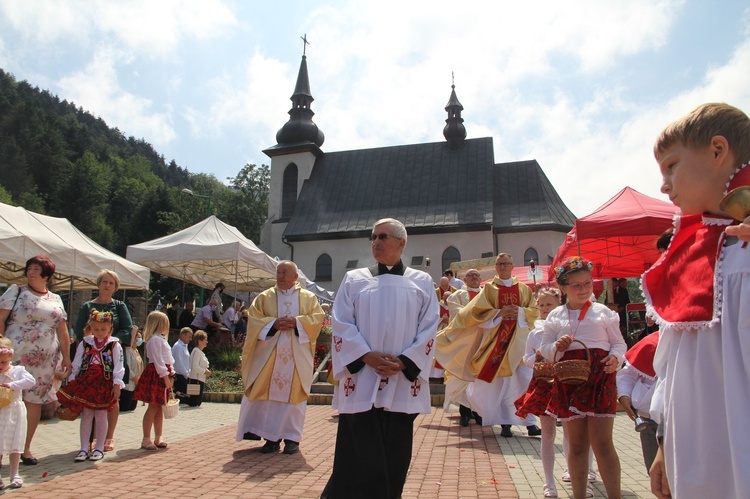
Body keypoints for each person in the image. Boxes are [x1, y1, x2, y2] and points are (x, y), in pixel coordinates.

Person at [644, 103, 750, 498]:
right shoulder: (690, 250)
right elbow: (673, 368)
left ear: (718, 151)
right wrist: (664, 446)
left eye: (672, 166)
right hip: (695, 454)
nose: (665, 185)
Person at [322, 218, 439, 499]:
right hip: (362, 376)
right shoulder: (354, 279)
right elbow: (340, 323)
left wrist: (405, 362)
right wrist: (365, 356)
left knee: (394, 451)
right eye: (372, 237)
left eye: (382, 236)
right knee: (357, 451)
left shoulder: (421, 281)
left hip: (400, 380)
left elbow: (430, 326)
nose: (375, 242)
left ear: (402, 243)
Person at [540, 256, 626, 499]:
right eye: (576, 285)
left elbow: (619, 344)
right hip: (569, 381)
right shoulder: (555, 315)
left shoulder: (603, 313)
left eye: (587, 283)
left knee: (602, 444)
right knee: (576, 445)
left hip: (600, 378)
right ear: (563, 288)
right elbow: (545, 349)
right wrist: (557, 346)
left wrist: (615, 358)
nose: (584, 289)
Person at [436, 253, 540, 438]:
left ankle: (530, 422)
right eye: (499, 264)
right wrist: (499, 312)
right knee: (502, 385)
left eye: (506, 263)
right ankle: (506, 423)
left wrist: (521, 312)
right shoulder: (489, 290)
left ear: (512, 265)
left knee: (523, 382)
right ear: (496, 267)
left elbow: (534, 311)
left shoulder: (523, 289)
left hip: (519, 343)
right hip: (497, 344)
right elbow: (475, 313)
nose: (502, 267)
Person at [236, 261, 324, 455]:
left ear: (296, 277)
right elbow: (254, 320)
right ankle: (271, 438)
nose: (280, 276)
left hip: (296, 358)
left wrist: (297, 322)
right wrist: (274, 324)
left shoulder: (309, 298)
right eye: (278, 272)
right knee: (270, 400)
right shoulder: (264, 298)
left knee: (294, 399)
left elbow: (317, 320)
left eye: (285, 272)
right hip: (270, 357)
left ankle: (292, 439)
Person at [0, 255, 72, 466]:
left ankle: (25, 448)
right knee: (6, 399)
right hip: (15, 356)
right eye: (29, 268)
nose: (30, 272)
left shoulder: (56, 299)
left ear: (46, 275)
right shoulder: (16, 291)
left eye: (35, 269)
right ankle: (3, 450)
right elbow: (1, 318)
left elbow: (63, 330)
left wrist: (66, 357)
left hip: (45, 361)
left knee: (34, 401)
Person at [74, 269, 136, 453]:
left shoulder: (119, 305)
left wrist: (107, 341)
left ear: (115, 287)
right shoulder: (86, 306)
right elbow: (79, 331)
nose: (107, 285)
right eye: (104, 282)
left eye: (111, 283)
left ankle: (109, 436)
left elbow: (127, 329)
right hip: (91, 360)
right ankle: (92, 439)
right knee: (90, 398)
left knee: (112, 397)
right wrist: (94, 342)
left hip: (112, 358)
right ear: (98, 284)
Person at [514, 288, 566, 498]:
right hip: (544, 383)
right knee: (547, 434)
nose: (545, 309)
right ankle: (549, 482)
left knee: (573, 434)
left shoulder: (567, 328)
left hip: (566, 382)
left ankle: (580, 471)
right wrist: (536, 356)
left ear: (559, 304)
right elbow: (525, 359)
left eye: (549, 304)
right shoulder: (535, 332)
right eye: (541, 305)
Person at [57, 311, 124, 463]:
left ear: (110, 329)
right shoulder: (85, 342)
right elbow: (77, 362)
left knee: (101, 414)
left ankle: (99, 446)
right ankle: (84, 447)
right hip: (87, 382)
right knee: (86, 414)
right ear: (91, 328)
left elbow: (118, 365)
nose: (99, 333)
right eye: (96, 329)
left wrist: (117, 383)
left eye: (103, 329)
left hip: (104, 382)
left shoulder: (114, 344)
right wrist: (74, 379)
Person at [443, 268, 483, 426]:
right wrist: (480, 316)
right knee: (463, 377)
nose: (474, 277)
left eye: (476, 275)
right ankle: (465, 414)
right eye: (470, 275)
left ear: (480, 279)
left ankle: (479, 413)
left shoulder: (488, 294)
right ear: (464, 280)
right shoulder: (457, 295)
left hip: (483, 342)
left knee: (480, 379)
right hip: (464, 342)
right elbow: (457, 313)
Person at [616, 330, 659, 473]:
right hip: (650, 421)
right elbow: (628, 374)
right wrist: (624, 395)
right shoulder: (650, 342)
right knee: (654, 472)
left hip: (686, 421)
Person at [133, 311, 174, 451]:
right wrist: (166, 377)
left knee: (159, 407)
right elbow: (159, 361)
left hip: (162, 373)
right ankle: (146, 438)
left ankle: (158, 436)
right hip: (158, 374)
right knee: (153, 406)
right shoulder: (155, 340)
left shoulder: (160, 339)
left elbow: (167, 359)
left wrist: (171, 373)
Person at [0, 337, 35, 489]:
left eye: (3, 362)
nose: (1, 366)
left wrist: (12, 385)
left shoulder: (18, 371)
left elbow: (31, 381)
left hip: (14, 410)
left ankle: (15, 474)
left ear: (11, 357)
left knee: (15, 443)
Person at [119, 328, 143, 412]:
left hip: (136, 384)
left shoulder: (136, 351)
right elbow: (127, 366)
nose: (140, 340)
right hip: (129, 384)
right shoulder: (128, 351)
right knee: (125, 408)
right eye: (138, 338)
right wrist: (135, 378)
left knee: (132, 408)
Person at [187, 330, 210, 407]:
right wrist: (204, 371)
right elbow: (195, 366)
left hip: (200, 380)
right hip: (196, 380)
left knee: (197, 403)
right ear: (199, 341)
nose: (207, 342)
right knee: (195, 403)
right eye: (205, 340)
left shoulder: (200, 352)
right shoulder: (196, 351)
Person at [171, 327, 193, 402]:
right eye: (189, 337)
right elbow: (179, 363)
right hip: (180, 376)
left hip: (184, 375)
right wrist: (186, 374)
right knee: (182, 398)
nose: (190, 339)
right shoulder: (178, 347)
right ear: (183, 336)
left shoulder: (184, 346)